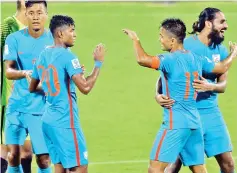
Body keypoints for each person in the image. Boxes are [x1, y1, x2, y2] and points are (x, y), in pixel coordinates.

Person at [122, 18, 237, 173]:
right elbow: (222, 66)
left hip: (174, 123)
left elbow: (142, 59)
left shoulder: (168, 60)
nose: (160, 39)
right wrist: (233, 54)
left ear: (172, 40)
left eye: (162, 36)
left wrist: (135, 40)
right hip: (194, 123)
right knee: (199, 169)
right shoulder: (197, 58)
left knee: (154, 168)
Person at [155, 8, 235, 173]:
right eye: (222, 22)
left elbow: (223, 85)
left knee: (228, 164)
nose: (226, 26)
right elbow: (163, 74)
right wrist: (157, 94)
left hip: (212, 113)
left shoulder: (221, 51)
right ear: (208, 24)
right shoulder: (188, 45)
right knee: (174, 165)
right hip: (187, 113)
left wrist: (210, 86)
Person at [29, 15, 105, 173]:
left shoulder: (43, 54)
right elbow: (85, 88)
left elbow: (33, 87)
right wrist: (98, 63)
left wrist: (58, 84)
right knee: (80, 166)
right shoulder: (68, 56)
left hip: (48, 122)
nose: (75, 34)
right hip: (66, 123)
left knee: (60, 167)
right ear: (60, 34)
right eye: (71, 30)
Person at [3, 0, 53, 172]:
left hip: (42, 109)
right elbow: (8, 71)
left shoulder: (54, 40)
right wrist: (24, 73)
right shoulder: (14, 39)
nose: (36, 17)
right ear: (26, 14)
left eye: (40, 12)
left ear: (46, 15)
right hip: (17, 107)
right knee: (13, 156)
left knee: (44, 159)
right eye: (31, 13)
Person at [0, 1, 33, 173]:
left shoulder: (37, 27)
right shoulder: (7, 26)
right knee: (7, 151)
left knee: (27, 151)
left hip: (30, 101)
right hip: (9, 101)